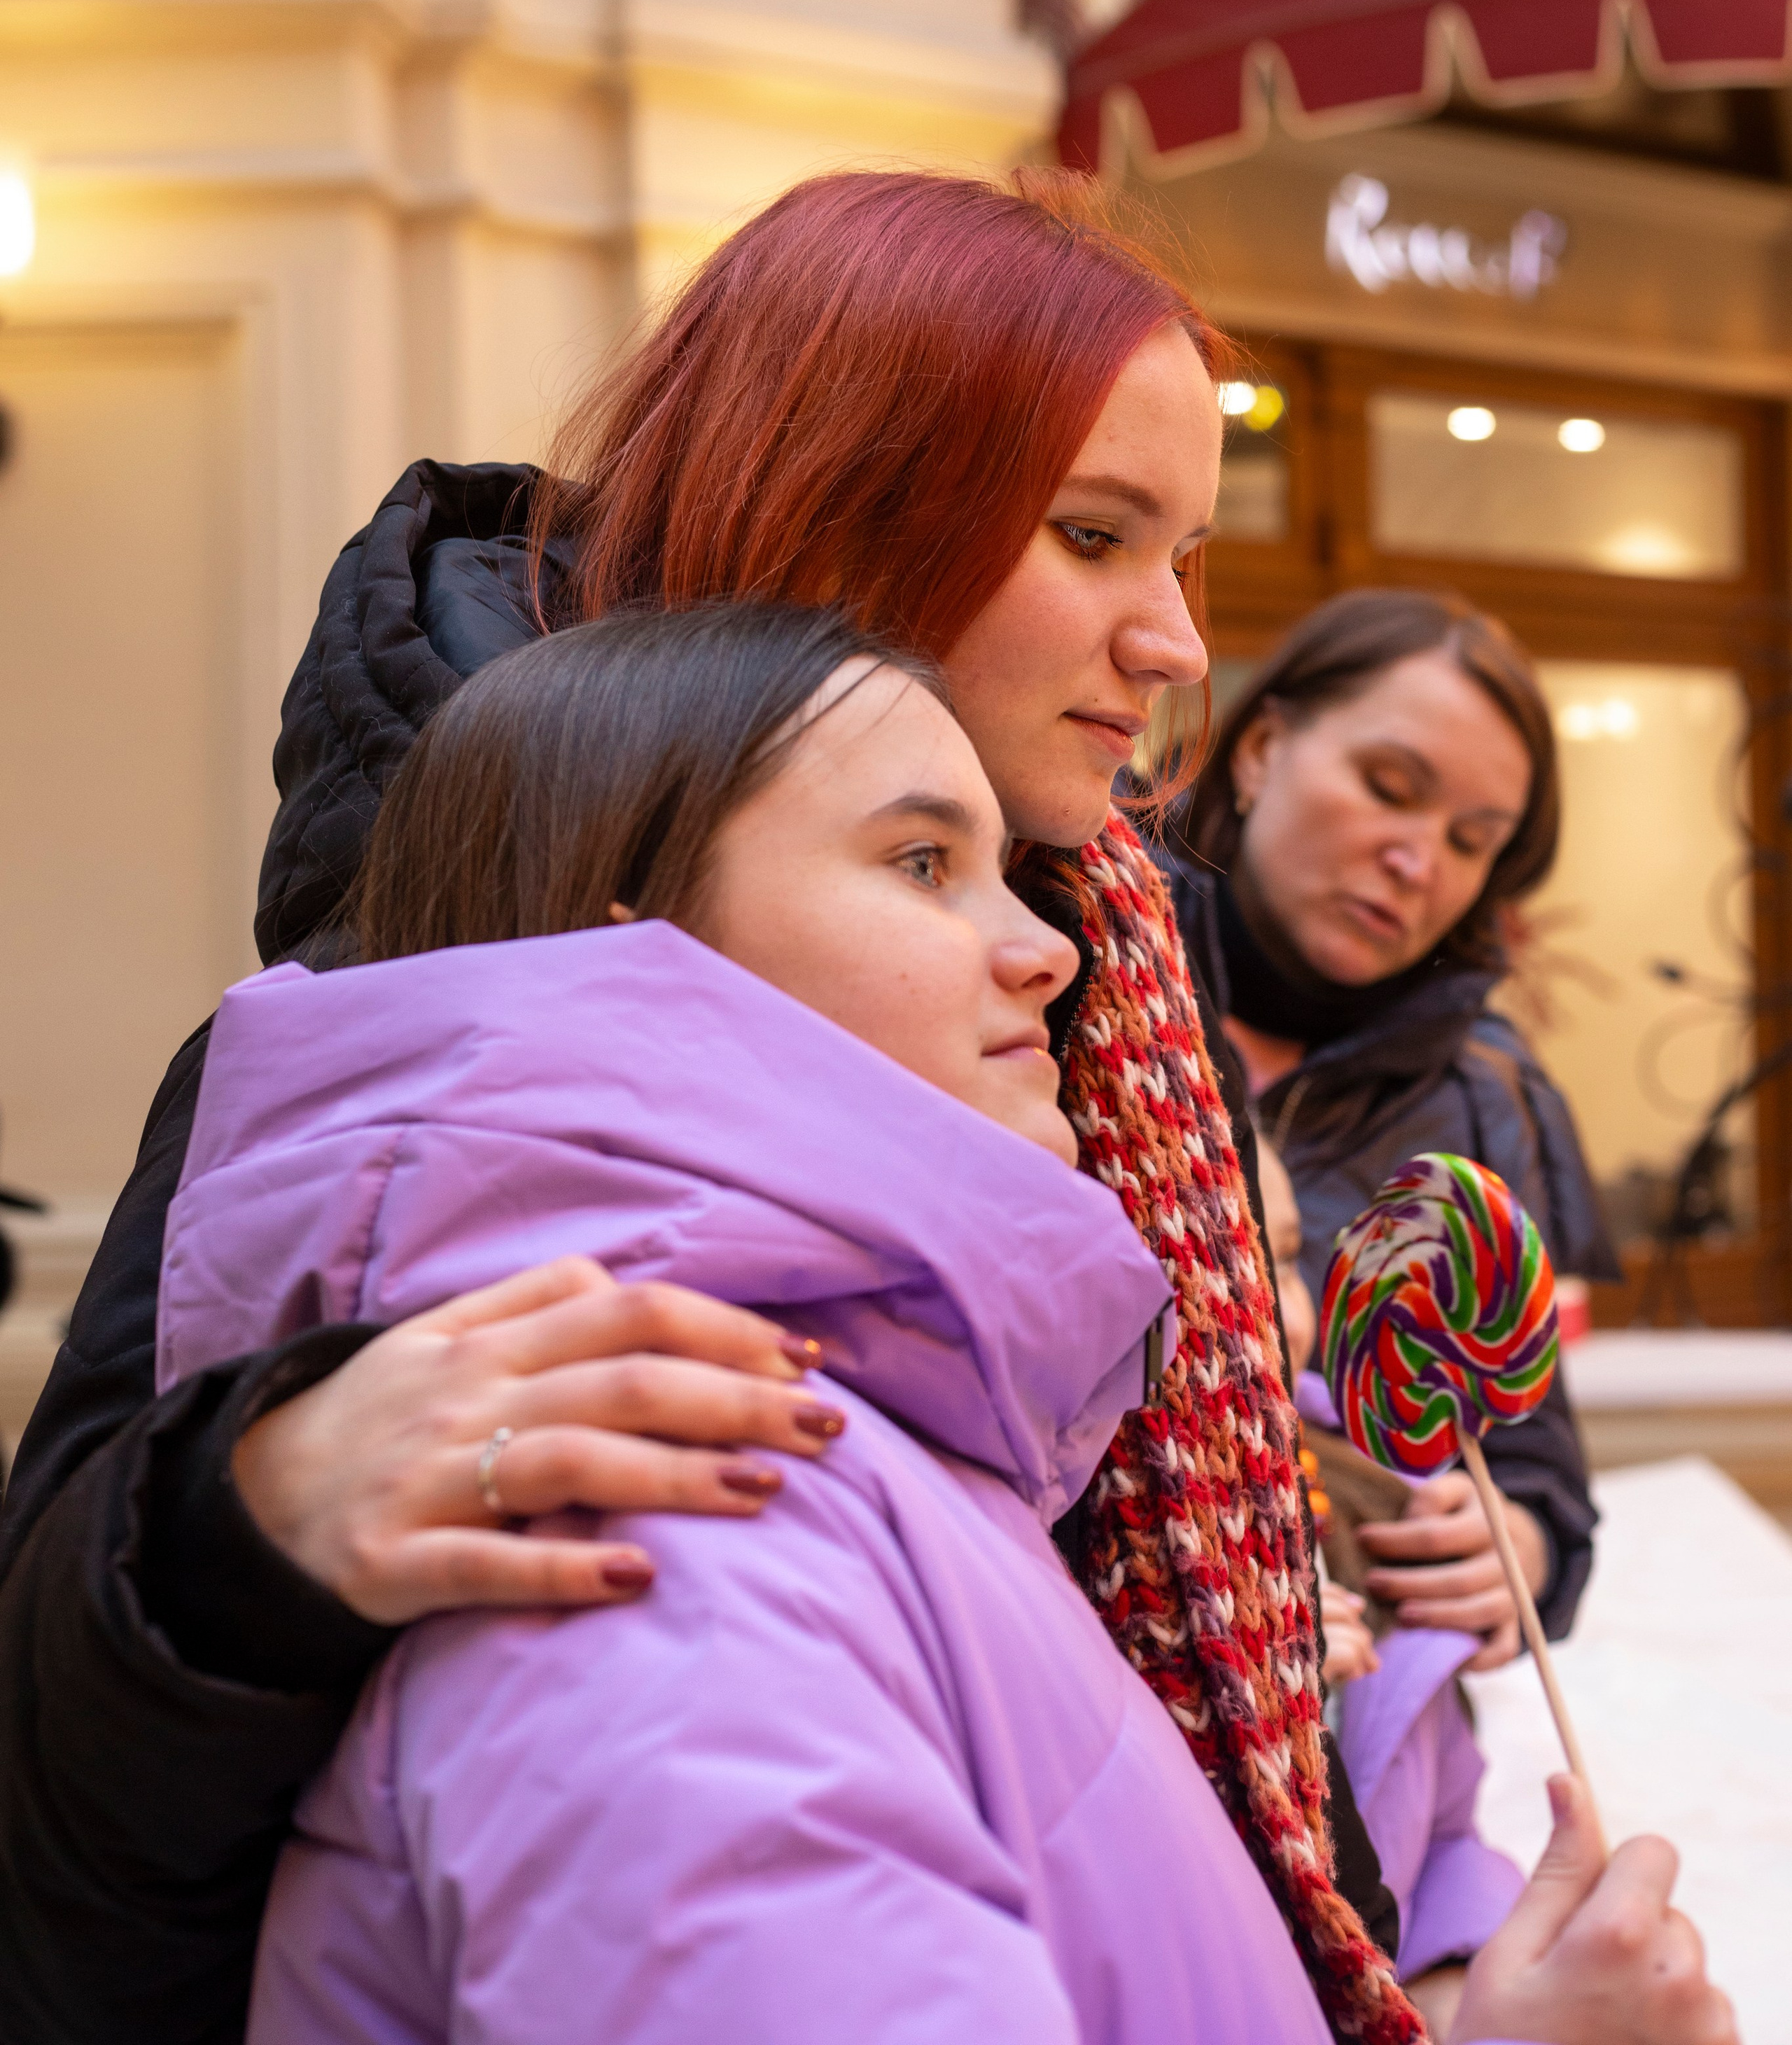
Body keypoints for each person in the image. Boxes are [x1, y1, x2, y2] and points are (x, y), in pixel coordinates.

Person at [0, 174, 1710, 2045]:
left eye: (1186, 556)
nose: (1173, 641)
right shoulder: (466, 1012)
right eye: (1092, 535)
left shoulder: (1111, 964)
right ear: (841, 504)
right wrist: (242, 1522)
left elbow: (1187, 1683)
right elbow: (85, 1785)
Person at [161, 603, 1733, 2045]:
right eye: (922, 863)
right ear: (636, 938)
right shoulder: (665, 1522)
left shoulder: (905, 1431)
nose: (1055, 954)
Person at [1165, 590, 1618, 1669]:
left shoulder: (1483, 1095)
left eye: (1471, 841)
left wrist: (1518, 1544)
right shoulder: (1066, 967)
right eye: (1389, 788)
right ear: (1261, 749)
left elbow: (1537, 1463)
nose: (1419, 862)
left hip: (1363, 1700)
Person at [1258, 1141, 1525, 2039]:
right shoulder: (1123, 1598)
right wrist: (1270, 1714)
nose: (1277, 1310)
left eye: (1284, 1257)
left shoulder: (1377, 1518)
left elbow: (1445, 1838)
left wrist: (1459, 1978)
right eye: (1224, 1254)